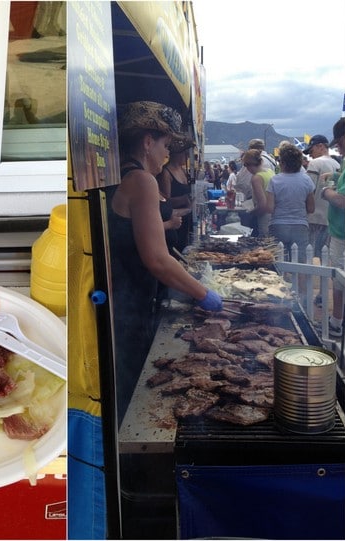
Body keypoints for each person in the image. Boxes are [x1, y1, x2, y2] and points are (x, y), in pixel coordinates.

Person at [107, 100, 223, 422]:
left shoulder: (121, 176)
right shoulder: (142, 181)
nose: (167, 155)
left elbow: (152, 244)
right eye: (165, 146)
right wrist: (204, 294)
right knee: (135, 397)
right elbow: (156, 260)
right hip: (130, 303)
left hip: (120, 299)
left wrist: (187, 273)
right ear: (147, 142)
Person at [265, 144, 315, 263]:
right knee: (300, 263)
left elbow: (269, 208)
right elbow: (311, 208)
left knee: (278, 262)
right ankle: (299, 282)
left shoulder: (274, 180)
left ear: (282, 162)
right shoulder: (307, 180)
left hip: (278, 225)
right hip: (300, 225)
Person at [320, 117, 345, 338]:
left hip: (343, 234)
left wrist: (326, 192)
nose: (337, 147)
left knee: (339, 279)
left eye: (338, 142)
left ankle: (337, 322)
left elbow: (343, 200)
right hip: (340, 230)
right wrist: (337, 175)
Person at [303, 134, 340, 264]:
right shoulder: (336, 164)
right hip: (330, 217)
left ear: (320, 146)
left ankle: (311, 282)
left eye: (311, 151)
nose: (310, 155)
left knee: (310, 254)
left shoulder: (315, 163)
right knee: (325, 256)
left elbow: (308, 190)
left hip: (314, 217)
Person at [157, 134, 195, 252]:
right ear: (177, 154)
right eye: (185, 153)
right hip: (174, 220)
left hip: (186, 218)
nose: (187, 156)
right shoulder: (166, 173)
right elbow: (165, 201)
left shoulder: (183, 171)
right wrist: (183, 199)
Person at [239, 149, 272, 236]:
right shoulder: (269, 172)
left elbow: (262, 205)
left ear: (248, 165)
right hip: (274, 216)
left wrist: (250, 214)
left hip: (264, 219)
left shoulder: (256, 178)